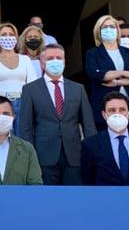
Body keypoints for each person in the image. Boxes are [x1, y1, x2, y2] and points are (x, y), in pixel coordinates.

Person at [18, 44, 96, 184]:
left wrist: (91, 153)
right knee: (48, 201)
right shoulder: (30, 90)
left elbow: (88, 124)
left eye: (59, 58)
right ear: (42, 63)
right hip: (43, 156)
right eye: (50, 58)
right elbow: (25, 127)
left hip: (74, 156)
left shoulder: (78, 88)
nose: (55, 61)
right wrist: (29, 156)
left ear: (65, 61)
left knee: (73, 199)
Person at [84, 15, 129, 131]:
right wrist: (125, 73)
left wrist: (117, 82)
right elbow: (96, 75)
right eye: (104, 27)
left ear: (117, 30)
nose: (108, 29)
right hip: (104, 105)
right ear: (98, 31)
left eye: (112, 26)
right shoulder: (93, 53)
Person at [80, 92, 129, 185]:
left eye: (122, 110)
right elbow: (88, 179)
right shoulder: (90, 144)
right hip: (105, 197)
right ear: (104, 115)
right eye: (112, 110)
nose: (117, 114)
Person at [0, 23, 39, 136]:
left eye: (11, 34)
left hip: (23, 103)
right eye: (3, 34)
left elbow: (33, 86)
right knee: (3, 138)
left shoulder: (25, 60)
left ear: (16, 38)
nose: (8, 37)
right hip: (0, 104)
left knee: (23, 138)